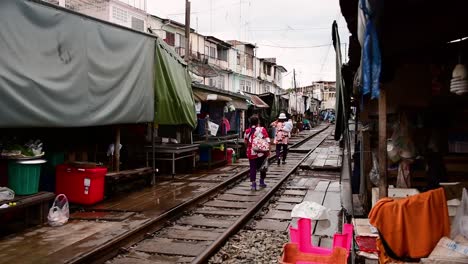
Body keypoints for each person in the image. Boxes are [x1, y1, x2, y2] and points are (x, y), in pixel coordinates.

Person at [244, 115, 270, 190]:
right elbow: (267, 140)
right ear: (258, 122)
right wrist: (268, 150)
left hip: (251, 153)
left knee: (252, 168)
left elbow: (245, 142)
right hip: (261, 153)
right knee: (263, 167)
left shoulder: (247, 131)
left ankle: (253, 184)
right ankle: (261, 181)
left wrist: (249, 148)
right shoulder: (262, 129)